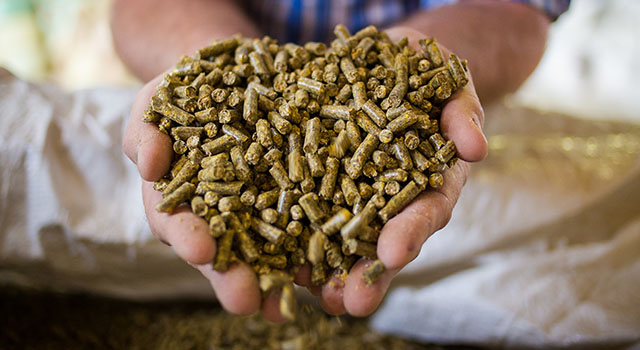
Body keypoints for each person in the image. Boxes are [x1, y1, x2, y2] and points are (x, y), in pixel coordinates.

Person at [111, 0, 569, 322]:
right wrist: (216, 53)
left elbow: (513, 10)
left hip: (469, 133)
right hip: (229, 60)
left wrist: (421, 61)